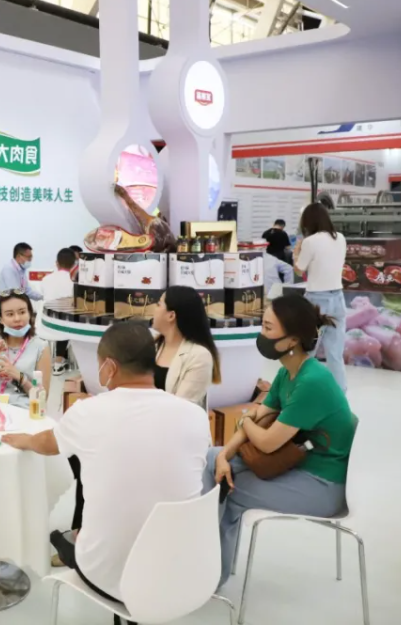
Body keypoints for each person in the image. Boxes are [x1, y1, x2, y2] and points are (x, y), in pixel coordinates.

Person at [1, 322, 209, 603]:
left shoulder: (88, 411)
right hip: (183, 571)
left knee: (65, 534)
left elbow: (48, 444)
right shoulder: (195, 415)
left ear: (109, 367)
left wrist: (25, 439)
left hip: (108, 576)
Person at [207, 295, 357, 583]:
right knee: (211, 459)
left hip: (323, 485)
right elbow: (257, 417)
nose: (261, 335)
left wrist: (246, 420)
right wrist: (225, 454)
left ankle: (212, 573)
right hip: (297, 464)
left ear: (292, 340)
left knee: (224, 489)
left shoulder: (311, 382)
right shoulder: (287, 373)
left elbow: (265, 441)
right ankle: (206, 560)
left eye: (267, 328)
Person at [294, 203, 348, 391]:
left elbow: (299, 269)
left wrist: (296, 253)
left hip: (316, 300)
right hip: (338, 297)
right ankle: (340, 395)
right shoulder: (340, 238)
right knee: (335, 355)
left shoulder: (310, 242)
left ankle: (300, 391)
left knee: (307, 352)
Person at [152, 286, 221, 406]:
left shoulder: (199, 356)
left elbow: (182, 407)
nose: (154, 309)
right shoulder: (152, 346)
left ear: (171, 316)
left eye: (159, 304)